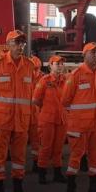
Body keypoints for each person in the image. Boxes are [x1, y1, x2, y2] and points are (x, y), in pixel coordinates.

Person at [0, 30, 36, 192]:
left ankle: (18, 191)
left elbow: (32, 93)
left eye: (22, 43)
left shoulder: (29, 66)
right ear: (8, 45)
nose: (20, 46)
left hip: (21, 120)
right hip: (2, 120)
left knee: (20, 157)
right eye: (16, 43)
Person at [61, 42, 96, 192]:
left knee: (95, 157)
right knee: (76, 156)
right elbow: (65, 101)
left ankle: (94, 185)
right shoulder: (76, 75)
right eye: (93, 52)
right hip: (79, 126)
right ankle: (71, 185)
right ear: (84, 54)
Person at [33, 55, 68, 184]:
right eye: (57, 64)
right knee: (46, 147)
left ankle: (57, 173)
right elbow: (36, 100)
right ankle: (42, 172)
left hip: (61, 120)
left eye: (61, 64)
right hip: (47, 120)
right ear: (50, 66)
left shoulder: (66, 81)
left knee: (58, 147)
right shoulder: (44, 81)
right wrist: (48, 110)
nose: (60, 66)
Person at [28, 55, 44, 172]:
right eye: (33, 69)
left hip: (36, 115)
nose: (35, 71)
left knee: (36, 141)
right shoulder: (23, 76)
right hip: (23, 114)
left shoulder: (43, 79)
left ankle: (35, 161)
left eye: (37, 69)